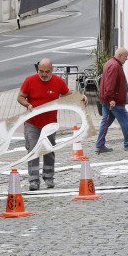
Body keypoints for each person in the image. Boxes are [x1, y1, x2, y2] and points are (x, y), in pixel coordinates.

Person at [17, 59, 87, 191]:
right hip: (32, 123)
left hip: (50, 124)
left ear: (52, 70)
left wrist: (81, 97)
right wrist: (27, 104)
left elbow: (69, 96)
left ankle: (49, 178)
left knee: (48, 150)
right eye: (41, 71)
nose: (43, 74)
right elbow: (20, 97)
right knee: (33, 150)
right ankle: (33, 181)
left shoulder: (58, 82)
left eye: (47, 72)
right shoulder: (29, 80)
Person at [95, 47, 128, 153]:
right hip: (114, 101)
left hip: (107, 100)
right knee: (125, 119)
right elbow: (110, 84)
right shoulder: (115, 66)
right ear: (120, 56)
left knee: (105, 122)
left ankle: (100, 145)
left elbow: (121, 81)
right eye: (125, 57)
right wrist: (111, 99)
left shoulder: (112, 64)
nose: (127, 59)